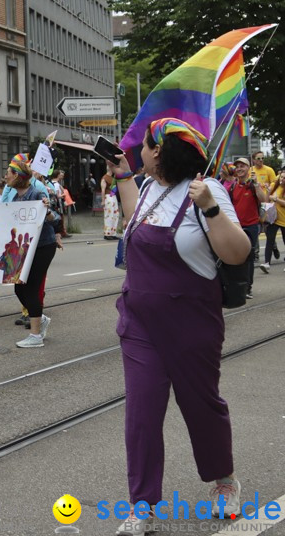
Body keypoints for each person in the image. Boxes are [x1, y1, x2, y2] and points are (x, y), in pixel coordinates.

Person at [109, 118, 250, 535]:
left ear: (163, 152)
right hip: (139, 322)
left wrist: (209, 205)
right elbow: (138, 219)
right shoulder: (150, 186)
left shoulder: (208, 191)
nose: (141, 150)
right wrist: (121, 176)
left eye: (147, 145)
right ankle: (143, 506)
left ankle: (224, 482)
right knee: (142, 414)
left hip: (192, 323)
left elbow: (238, 253)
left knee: (201, 406)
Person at [1, 154, 59, 348]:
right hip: (23, 248)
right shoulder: (16, 196)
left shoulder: (36, 194)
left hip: (43, 246)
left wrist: (47, 210)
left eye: (8, 173)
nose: (5, 177)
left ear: (17, 175)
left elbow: (55, 219)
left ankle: (35, 336)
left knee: (31, 287)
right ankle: (39, 318)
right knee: (19, 287)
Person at [227, 157, 267, 296]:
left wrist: (256, 185)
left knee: (248, 258)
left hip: (251, 226)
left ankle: (247, 287)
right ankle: (235, 285)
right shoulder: (232, 186)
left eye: (242, 166)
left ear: (248, 168)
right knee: (234, 257)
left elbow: (264, 199)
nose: (239, 169)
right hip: (235, 226)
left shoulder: (252, 185)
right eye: (237, 166)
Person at [264, 172, 285, 271]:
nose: (282, 179)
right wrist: (268, 192)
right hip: (274, 219)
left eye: (284, 178)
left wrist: (276, 199)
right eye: (281, 177)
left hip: (284, 220)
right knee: (270, 240)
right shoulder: (274, 186)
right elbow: (266, 200)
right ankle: (266, 263)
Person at [102, 173, 120, 240]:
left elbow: (114, 189)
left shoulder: (113, 178)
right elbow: (103, 189)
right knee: (109, 215)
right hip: (108, 196)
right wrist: (103, 200)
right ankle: (107, 233)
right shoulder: (105, 178)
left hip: (113, 196)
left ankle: (113, 233)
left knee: (115, 215)